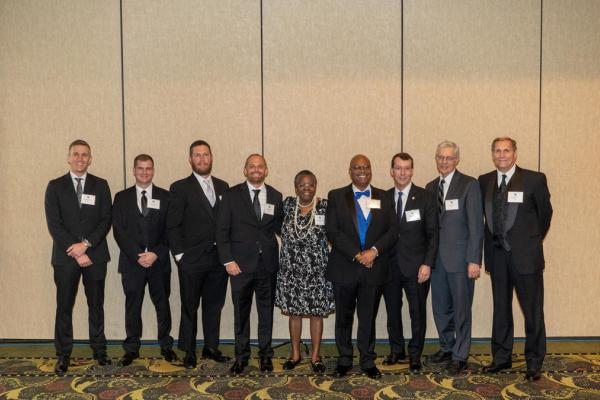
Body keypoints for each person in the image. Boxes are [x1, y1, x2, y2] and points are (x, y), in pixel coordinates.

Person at [478, 137, 552, 381]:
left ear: (515, 153)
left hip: (525, 257)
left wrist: (528, 241)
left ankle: (534, 361)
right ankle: (501, 357)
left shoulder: (534, 180)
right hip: (497, 256)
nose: (502, 155)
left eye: (506, 151)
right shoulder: (485, 181)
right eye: (497, 151)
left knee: (532, 311)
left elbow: (545, 216)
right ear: (492, 154)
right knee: (501, 309)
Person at [44, 139, 112, 375]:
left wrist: (86, 245)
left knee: (96, 305)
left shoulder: (101, 185)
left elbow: (106, 219)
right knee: (64, 306)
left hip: (95, 255)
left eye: (85, 155)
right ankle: (63, 355)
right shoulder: (55, 186)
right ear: (68, 157)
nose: (80, 158)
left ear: (90, 159)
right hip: (65, 259)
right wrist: (75, 250)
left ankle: (99, 351)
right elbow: (54, 224)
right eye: (76, 154)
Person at [326, 154, 396, 379]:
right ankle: (344, 359)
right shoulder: (336, 196)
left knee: (368, 318)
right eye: (356, 167)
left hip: (373, 268)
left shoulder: (384, 196)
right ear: (350, 171)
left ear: (371, 170)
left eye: (365, 167)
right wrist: (358, 254)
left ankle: (367, 361)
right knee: (343, 318)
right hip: (345, 267)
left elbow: (392, 231)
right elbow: (332, 231)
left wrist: (374, 251)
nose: (361, 170)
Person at [216, 154, 283, 375]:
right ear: (245, 170)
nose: (256, 170)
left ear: (266, 170)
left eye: (260, 166)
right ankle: (241, 357)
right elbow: (222, 231)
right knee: (241, 315)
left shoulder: (275, 195)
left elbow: (282, 228)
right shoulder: (231, 195)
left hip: (267, 266)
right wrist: (228, 260)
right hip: (239, 267)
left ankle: (265, 356)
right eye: (252, 166)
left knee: (266, 314)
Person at [167, 140, 230, 368]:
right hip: (191, 260)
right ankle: (189, 350)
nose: (202, 159)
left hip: (217, 260)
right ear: (190, 159)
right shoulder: (180, 187)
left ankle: (211, 347)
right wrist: (179, 256)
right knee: (189, 306)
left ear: (211, 157)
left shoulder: (224, 187)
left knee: (214, 306)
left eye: (206, 155)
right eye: (197, 155)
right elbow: (172, 225)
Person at [425, 141, 483, 375]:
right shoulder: (430, 187)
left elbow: (476, 225)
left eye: (449, 158)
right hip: (436, 261)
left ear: (457, 160)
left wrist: (474, 259)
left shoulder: (469, 185)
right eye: (440, 157)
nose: (444, 161)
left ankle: (460, 355)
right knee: (440, 308)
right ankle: (447, 347)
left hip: (460, 261)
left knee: (461, 310)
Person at [112, 154, 176, 366]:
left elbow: (171, 231)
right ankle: (131, 349)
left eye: (149, 168)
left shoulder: (166, 197)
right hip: (132, 264)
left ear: (153, 170)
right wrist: (137, 255)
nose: (144, 172)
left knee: (162, 305)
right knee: (133, 306)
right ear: (133, 170)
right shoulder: (121, 197)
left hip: (159, 263)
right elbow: (119, 232)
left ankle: (166, 346)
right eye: (140, 168)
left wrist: (155, 253)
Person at [275, 170, 335, 373]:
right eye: (302, 184)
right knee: (295, 314)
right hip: (291, 271)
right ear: (296, 187)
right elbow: (277, 228)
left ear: (316, 186)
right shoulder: (287, 205)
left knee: (316, 314)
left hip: (317, 271)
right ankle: (295, 354)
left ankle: (316, 357)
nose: (306, 188)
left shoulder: (325, 207)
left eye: (310, 184)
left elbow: (334, 234)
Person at [382, 153, 438, 371]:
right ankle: (397, 350)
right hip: (389, 266)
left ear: (412, 171)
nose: (402, 173)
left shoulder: (425, 197)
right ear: (391, 171)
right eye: (398, 168)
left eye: (407, 168)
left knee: (417, 311)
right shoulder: (383, 198)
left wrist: (427, 264)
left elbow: (433, 234)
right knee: (392, 310)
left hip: (417, 267)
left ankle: (415, 354)